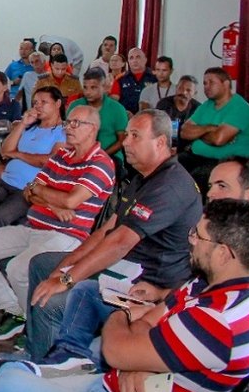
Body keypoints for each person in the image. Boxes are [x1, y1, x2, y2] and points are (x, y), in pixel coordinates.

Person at [0, 198, 249, 392]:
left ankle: (49, 367)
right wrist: (138, 359)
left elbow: (116, 346)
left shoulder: (219, 321)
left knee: (9, 384)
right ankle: (57, 366)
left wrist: (120, 320)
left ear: (224, 253)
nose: (191, 240)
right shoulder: (214, 283)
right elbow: (151, 318)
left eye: (199, 237)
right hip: (127, 380)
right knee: (18, 378)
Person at [23, 110, 202, 362]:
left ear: (160, 142)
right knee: (42, 264)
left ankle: (47, 370)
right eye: (127, 134)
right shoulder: (143, 178)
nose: (126, 141)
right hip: (124, 266)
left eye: (135, 136)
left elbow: (119, 243)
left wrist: (65, 281)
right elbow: (107, 230)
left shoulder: (169, 186)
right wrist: (64, 267)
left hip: (147, 284)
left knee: (52, 301)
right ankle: (35, 349)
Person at [0, 104, 114, 342]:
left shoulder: (101, 164)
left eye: (76, 123)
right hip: (34, 226)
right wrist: (54, 203)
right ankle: (19, 312)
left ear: (93, 129)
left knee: (16, 269)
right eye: (68, 123)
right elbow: (29, 190)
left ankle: (32, 322)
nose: (69, 128)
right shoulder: (61, 156)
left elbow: (73, 200)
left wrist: (43, 193)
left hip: (66, 236)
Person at [0, 86, 66, 234]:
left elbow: (48, 161)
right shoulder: (31, 128)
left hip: (27, 189)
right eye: (35, 102)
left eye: (43, 102)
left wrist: (17, 154)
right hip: (5, 182)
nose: (38, 106)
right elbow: (5, 150)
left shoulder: (63, 132)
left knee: (0, 216)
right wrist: (23, 123)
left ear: (58, 104)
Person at [178, 67, 249, 190]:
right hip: (195, 156)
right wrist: (210, 128)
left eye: (211, 82)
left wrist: (197, 132)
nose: (207, 86)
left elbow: (218, 140)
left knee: (196, 180)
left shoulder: (240, 107)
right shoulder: (207, 105)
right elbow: (184, 131)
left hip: (228, 162)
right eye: (205, 83)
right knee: (167, 168)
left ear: (226, 84)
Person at [67, 68, 129, 162]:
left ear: (104, 87)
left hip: (110, 156)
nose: (88, 92)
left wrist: (100, 155)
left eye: (93, 87)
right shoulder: (75, 106)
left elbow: (122, 140)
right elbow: (67, 132)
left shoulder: (117, 109)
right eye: (85, 87)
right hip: (77, 154)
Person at [155, 74, 200, 146]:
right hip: (166, 145)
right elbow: (157, 130)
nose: (183, 92)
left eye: (188, 90)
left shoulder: (198, 108)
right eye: (181, 88)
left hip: (188, 148)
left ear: (194, 93)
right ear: (176, 88)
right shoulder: (164, 104)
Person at [108, 47, 156, 114]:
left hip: (149, 116)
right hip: (125, 117)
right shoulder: (120, 79)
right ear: (128, 61)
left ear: (145, 60)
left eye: (138, 57)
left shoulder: (155, 77)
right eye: (131, 58)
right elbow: (113, 102)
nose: (134, 60)